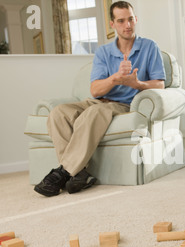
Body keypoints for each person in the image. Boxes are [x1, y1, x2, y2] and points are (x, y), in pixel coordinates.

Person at [35, 1, 165, 197]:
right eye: (121, 21)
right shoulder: (103, 52)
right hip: (98, 100)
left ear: (135, 19)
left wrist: (137, 84)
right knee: (58, 113)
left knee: (94, 113)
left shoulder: (149, 47)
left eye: (130, 19)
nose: (127, 25)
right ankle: (79, 174)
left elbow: (160, 84)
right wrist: (115, 78)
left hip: (124, 104)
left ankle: (63, 172)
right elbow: (95, 90)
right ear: (112, 24)